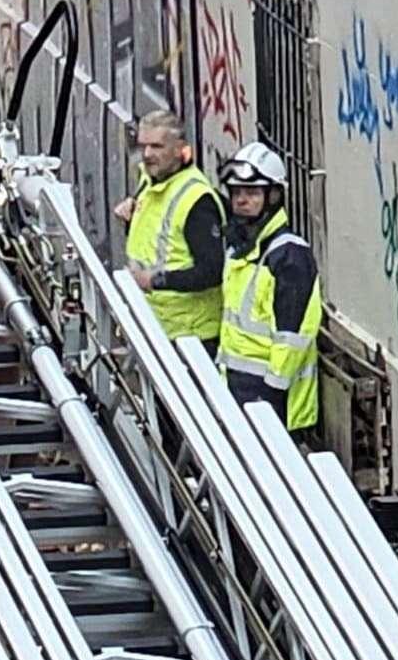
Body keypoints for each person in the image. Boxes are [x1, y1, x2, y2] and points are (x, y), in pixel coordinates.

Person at [215, 141, 326, 438]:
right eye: (237, 192)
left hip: (276, 406)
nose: (241, 200)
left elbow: (292, 339)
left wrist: (271, 397)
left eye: (252, 193)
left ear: (274, 195)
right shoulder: (241, 249)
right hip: (239, 392)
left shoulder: (289, 256)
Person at [112, 110, 224, 358]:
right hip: (153, 326)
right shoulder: (150, 179)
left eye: (157, 146)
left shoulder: (197, 200)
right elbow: (155, 242)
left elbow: (212, 271)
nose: (148, 155)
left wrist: (154, 281)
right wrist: (130, 217)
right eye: (143, 146)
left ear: (179, 149)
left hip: (190, 339)